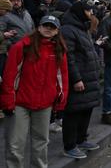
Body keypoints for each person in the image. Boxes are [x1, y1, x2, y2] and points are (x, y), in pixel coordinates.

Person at [0, 15, 69, 168]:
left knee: (41, 144)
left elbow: (62, 77)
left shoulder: (59, 50)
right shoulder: (22, 46)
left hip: (44, 103)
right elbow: (9, 75)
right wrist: (7, 101)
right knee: (15, 145)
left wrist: (61, 101)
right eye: (45, 25)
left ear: (57, 31)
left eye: (52, 27)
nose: (48, 29)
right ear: (38, 27)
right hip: (19, 103)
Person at [60, 1, 102, 159]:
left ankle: (81, 139)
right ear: (80, 12)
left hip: (89, 76)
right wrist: (76, 79)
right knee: (74, 112)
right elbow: (68, 57)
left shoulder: (82, 28)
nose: (90, 13)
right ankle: (69, 145)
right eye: (88, 10)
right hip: (79, 78)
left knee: (86, 108)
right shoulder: (68, 30)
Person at [0, 0, 15, 78]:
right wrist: (4, 35)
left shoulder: (3, 17)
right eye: (6, 10)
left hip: (2, 51)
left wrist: (9, 33)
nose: (7, 13)